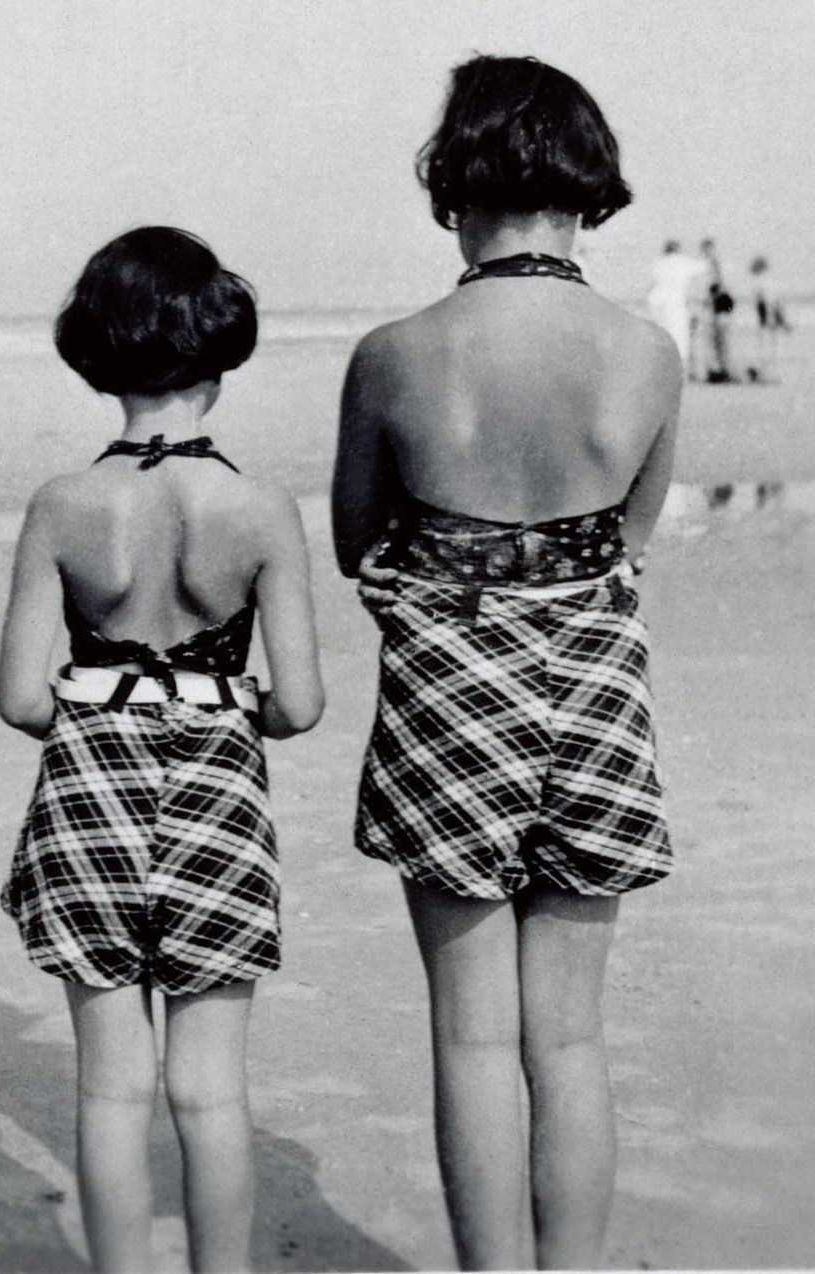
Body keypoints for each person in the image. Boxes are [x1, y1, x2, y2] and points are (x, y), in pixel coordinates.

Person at [332, 55, 681, 1270]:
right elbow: (627, 544)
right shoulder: (644, 353)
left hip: (448, 686)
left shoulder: (394, 352)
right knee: (570, 1039)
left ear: (451, 187)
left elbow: (354, 537)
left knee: (472, 1036)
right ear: (587, 192)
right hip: (592, 681)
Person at [0, 227, 324, 1274]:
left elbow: (15, 695)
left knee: (108, 1087)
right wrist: (232, 712)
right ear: (220, 352)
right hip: (217, 786)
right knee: (210, 1089)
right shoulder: (260, 507)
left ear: (95, 353)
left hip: (87, 782)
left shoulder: (62, 505)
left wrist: (99, 717)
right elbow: (303, 703)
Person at [646, 240, 705, 379]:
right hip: (674, 301)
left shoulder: (659, 263)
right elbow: (702, 266)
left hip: (657, 300)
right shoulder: (681, 262)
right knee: (679, 335)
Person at [746, 254, 791, 383]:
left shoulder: (760, 282)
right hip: (769, 317)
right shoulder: (767, 281)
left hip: (766, 318)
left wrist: (770, 318)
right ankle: (769, 374)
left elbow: (768, 301)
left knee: (767, 347)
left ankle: (766, 374)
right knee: (774, 348)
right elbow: (773, 302)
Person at [698, 237, 735, 382]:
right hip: (719, 303)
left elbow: (720, 285)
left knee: (721, 339)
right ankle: (721, 369)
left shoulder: (715, 264)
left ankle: (724, 369)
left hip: (721, 303)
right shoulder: (712, 264)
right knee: (718, 339)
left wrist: (710, 298)